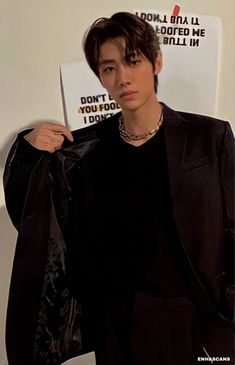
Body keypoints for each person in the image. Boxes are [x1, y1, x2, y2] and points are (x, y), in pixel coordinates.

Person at [3, 11, 234, 365]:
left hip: (191, 321)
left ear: (156, 61)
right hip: (115, 322)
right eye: (109, 68)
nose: (123, 77)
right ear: (100, 77)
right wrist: (28, 152)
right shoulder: (86, 150)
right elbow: (37, 221)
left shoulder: (209, 138)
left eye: (132, 60)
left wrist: (226, 328)